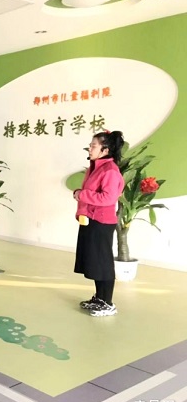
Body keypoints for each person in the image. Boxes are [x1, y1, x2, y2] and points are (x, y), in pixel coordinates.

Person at [74, 130, 125, 317]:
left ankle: (108, 303)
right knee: (95, 262)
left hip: (101, 222)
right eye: (91, 145)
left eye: (93, 146)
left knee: (103, 262)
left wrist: (81, 194)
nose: (90, 148)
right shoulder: (95, 167)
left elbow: (108, 198)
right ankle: (99, 298)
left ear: (105, 150)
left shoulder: (110, 170)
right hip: (90, 219)